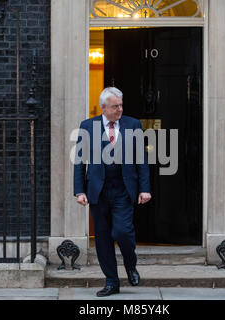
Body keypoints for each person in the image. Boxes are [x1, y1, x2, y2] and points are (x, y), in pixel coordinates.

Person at [73, 87, 151, 297]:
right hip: (98, 190)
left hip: (123, 189)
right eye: (116, 106)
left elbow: (141, 160)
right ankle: (111, 282)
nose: (120, 109)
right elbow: (80, 161)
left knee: (122, 232)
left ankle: (130, 265)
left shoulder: (132, 124)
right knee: (102, 238)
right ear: (104, 108)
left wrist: (145, 188)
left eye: (121, 105)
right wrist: (79, 190)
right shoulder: (87, 126)